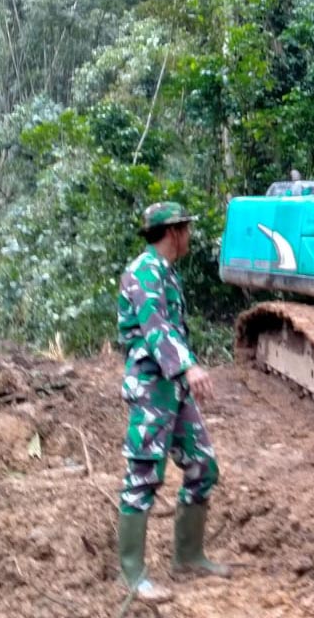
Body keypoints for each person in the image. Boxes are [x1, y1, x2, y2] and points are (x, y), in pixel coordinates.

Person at [115, 202, 230, 603]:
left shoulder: (166, 273)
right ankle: (132, 573)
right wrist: (188, 368)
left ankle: (189, 556)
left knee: (202, 464)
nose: (190, 237)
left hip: (173, 386)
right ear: (174, 232)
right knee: (143, 474)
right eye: (187, 230)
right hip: (152, 386)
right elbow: (156, 327)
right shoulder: (144, 272)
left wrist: (182, 372)